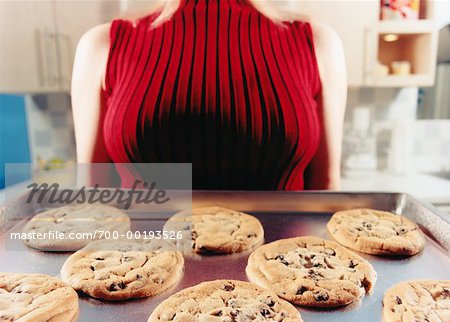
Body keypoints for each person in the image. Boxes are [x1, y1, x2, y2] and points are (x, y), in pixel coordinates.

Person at [72, 0, 347, 190]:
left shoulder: (316, 44)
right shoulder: (103, 46)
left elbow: (324, 195)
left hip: (285, 270)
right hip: (136, 272)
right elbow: (93, 199)